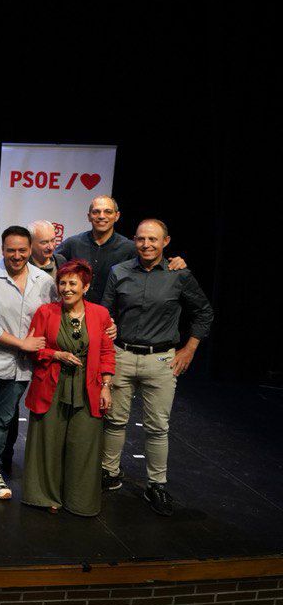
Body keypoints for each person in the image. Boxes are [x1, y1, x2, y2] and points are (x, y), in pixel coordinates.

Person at [101, 219, 214, 515]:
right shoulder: (119, 271)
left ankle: (156, 485)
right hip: (122, 354)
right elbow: (105, 311)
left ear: (166, 241)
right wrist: (108, 327)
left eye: (153, 239)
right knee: (114, 420)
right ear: (134, 241)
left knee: (157, 427)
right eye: (141, 239)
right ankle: (109, 473)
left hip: (161, 359)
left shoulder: (179, 274)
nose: (146, 244)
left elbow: (204, 312)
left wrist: (189, 349)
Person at [21, 260, 115, 517]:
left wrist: (106, 386)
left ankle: (79, 500)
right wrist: (56, 354)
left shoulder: (100, 314)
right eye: (62, 283)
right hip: (51, 384)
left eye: (73, 283)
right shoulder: (46, 312)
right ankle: (45, 496)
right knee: (48, 441)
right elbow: (33, 348)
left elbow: (107, 353)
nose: (66, 288)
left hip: (88, 386)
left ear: (86, 287)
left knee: (84, 443)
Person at [0, 225, 57, 500]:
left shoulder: (44, 281)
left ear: (30, 249)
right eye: (11, 250)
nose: (17, 256)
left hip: (22, 367)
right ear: (2, 249)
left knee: (3, 421)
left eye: (22, 250)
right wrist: (21, 343)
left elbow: (54, 316)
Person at [61, 196, 187, 303]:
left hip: (113, 316)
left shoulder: (130, 247)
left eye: (108, 212)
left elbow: (155, 261)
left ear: (117, 216)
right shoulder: (73, 243)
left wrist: (175, 262)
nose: (101, 216)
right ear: (89, 217)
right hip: (74, 312)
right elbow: (51, 260)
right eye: (96, 212)